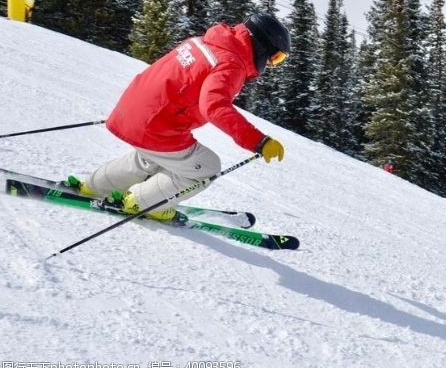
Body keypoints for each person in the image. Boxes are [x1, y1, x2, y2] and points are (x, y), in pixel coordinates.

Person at [66, 12, 291, 223]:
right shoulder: (232, 63)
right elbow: (214, 106)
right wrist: (258, 141)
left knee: (150, 158)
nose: (272, 64)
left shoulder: (205, 42)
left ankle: (94, 186)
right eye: (276, 58)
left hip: (132, 110)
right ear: (262, 45)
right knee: (207, 167)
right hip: (155, 125)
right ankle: (142, 204)